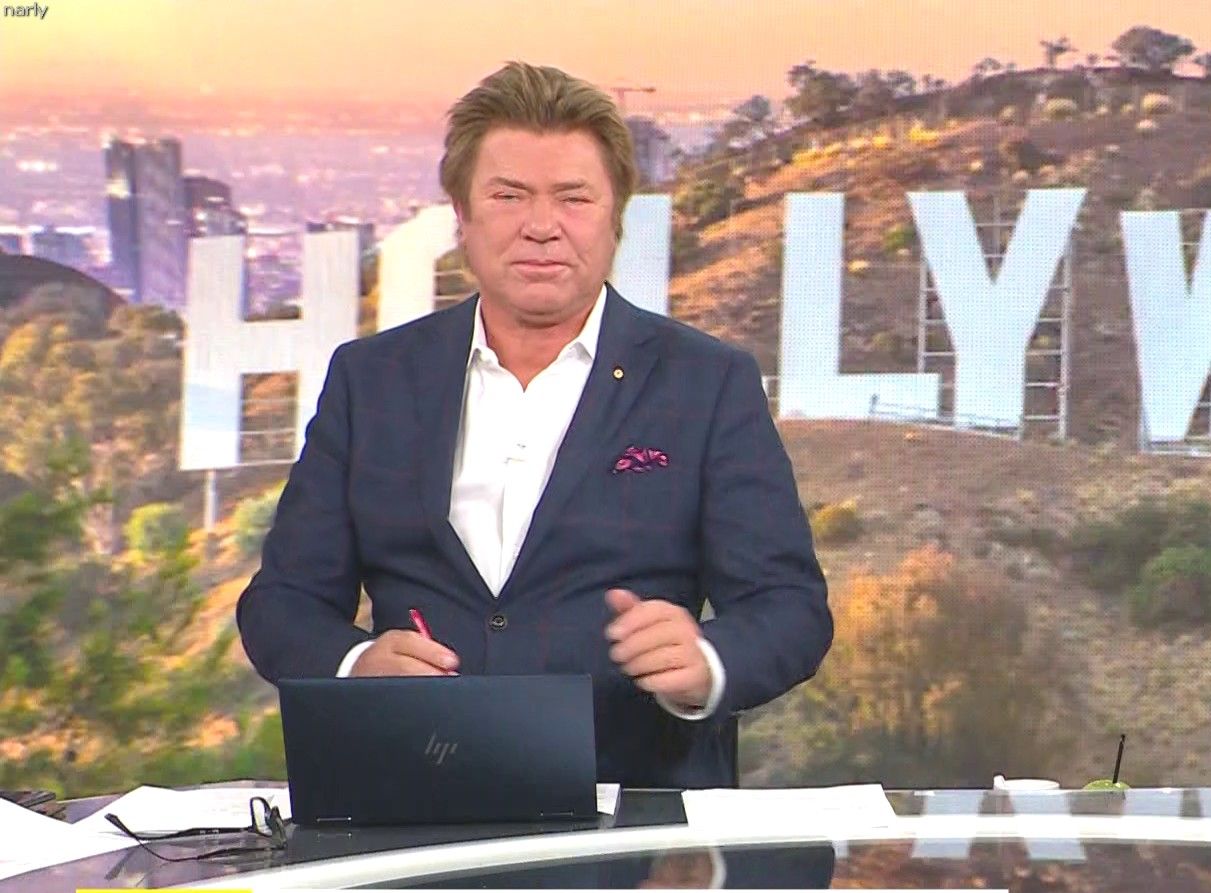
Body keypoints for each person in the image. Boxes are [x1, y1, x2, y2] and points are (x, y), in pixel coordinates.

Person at [237, 62, 832, 788]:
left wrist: (706, 662)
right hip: (413, 797)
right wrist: (356, 665)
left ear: (615, 220)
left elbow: (789, 609)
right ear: (462, 218)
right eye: (509, 196)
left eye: (574, 198)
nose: (542, 227)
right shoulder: (373, 380)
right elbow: (283, 604)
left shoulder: (706, 383)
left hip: (635, 813)